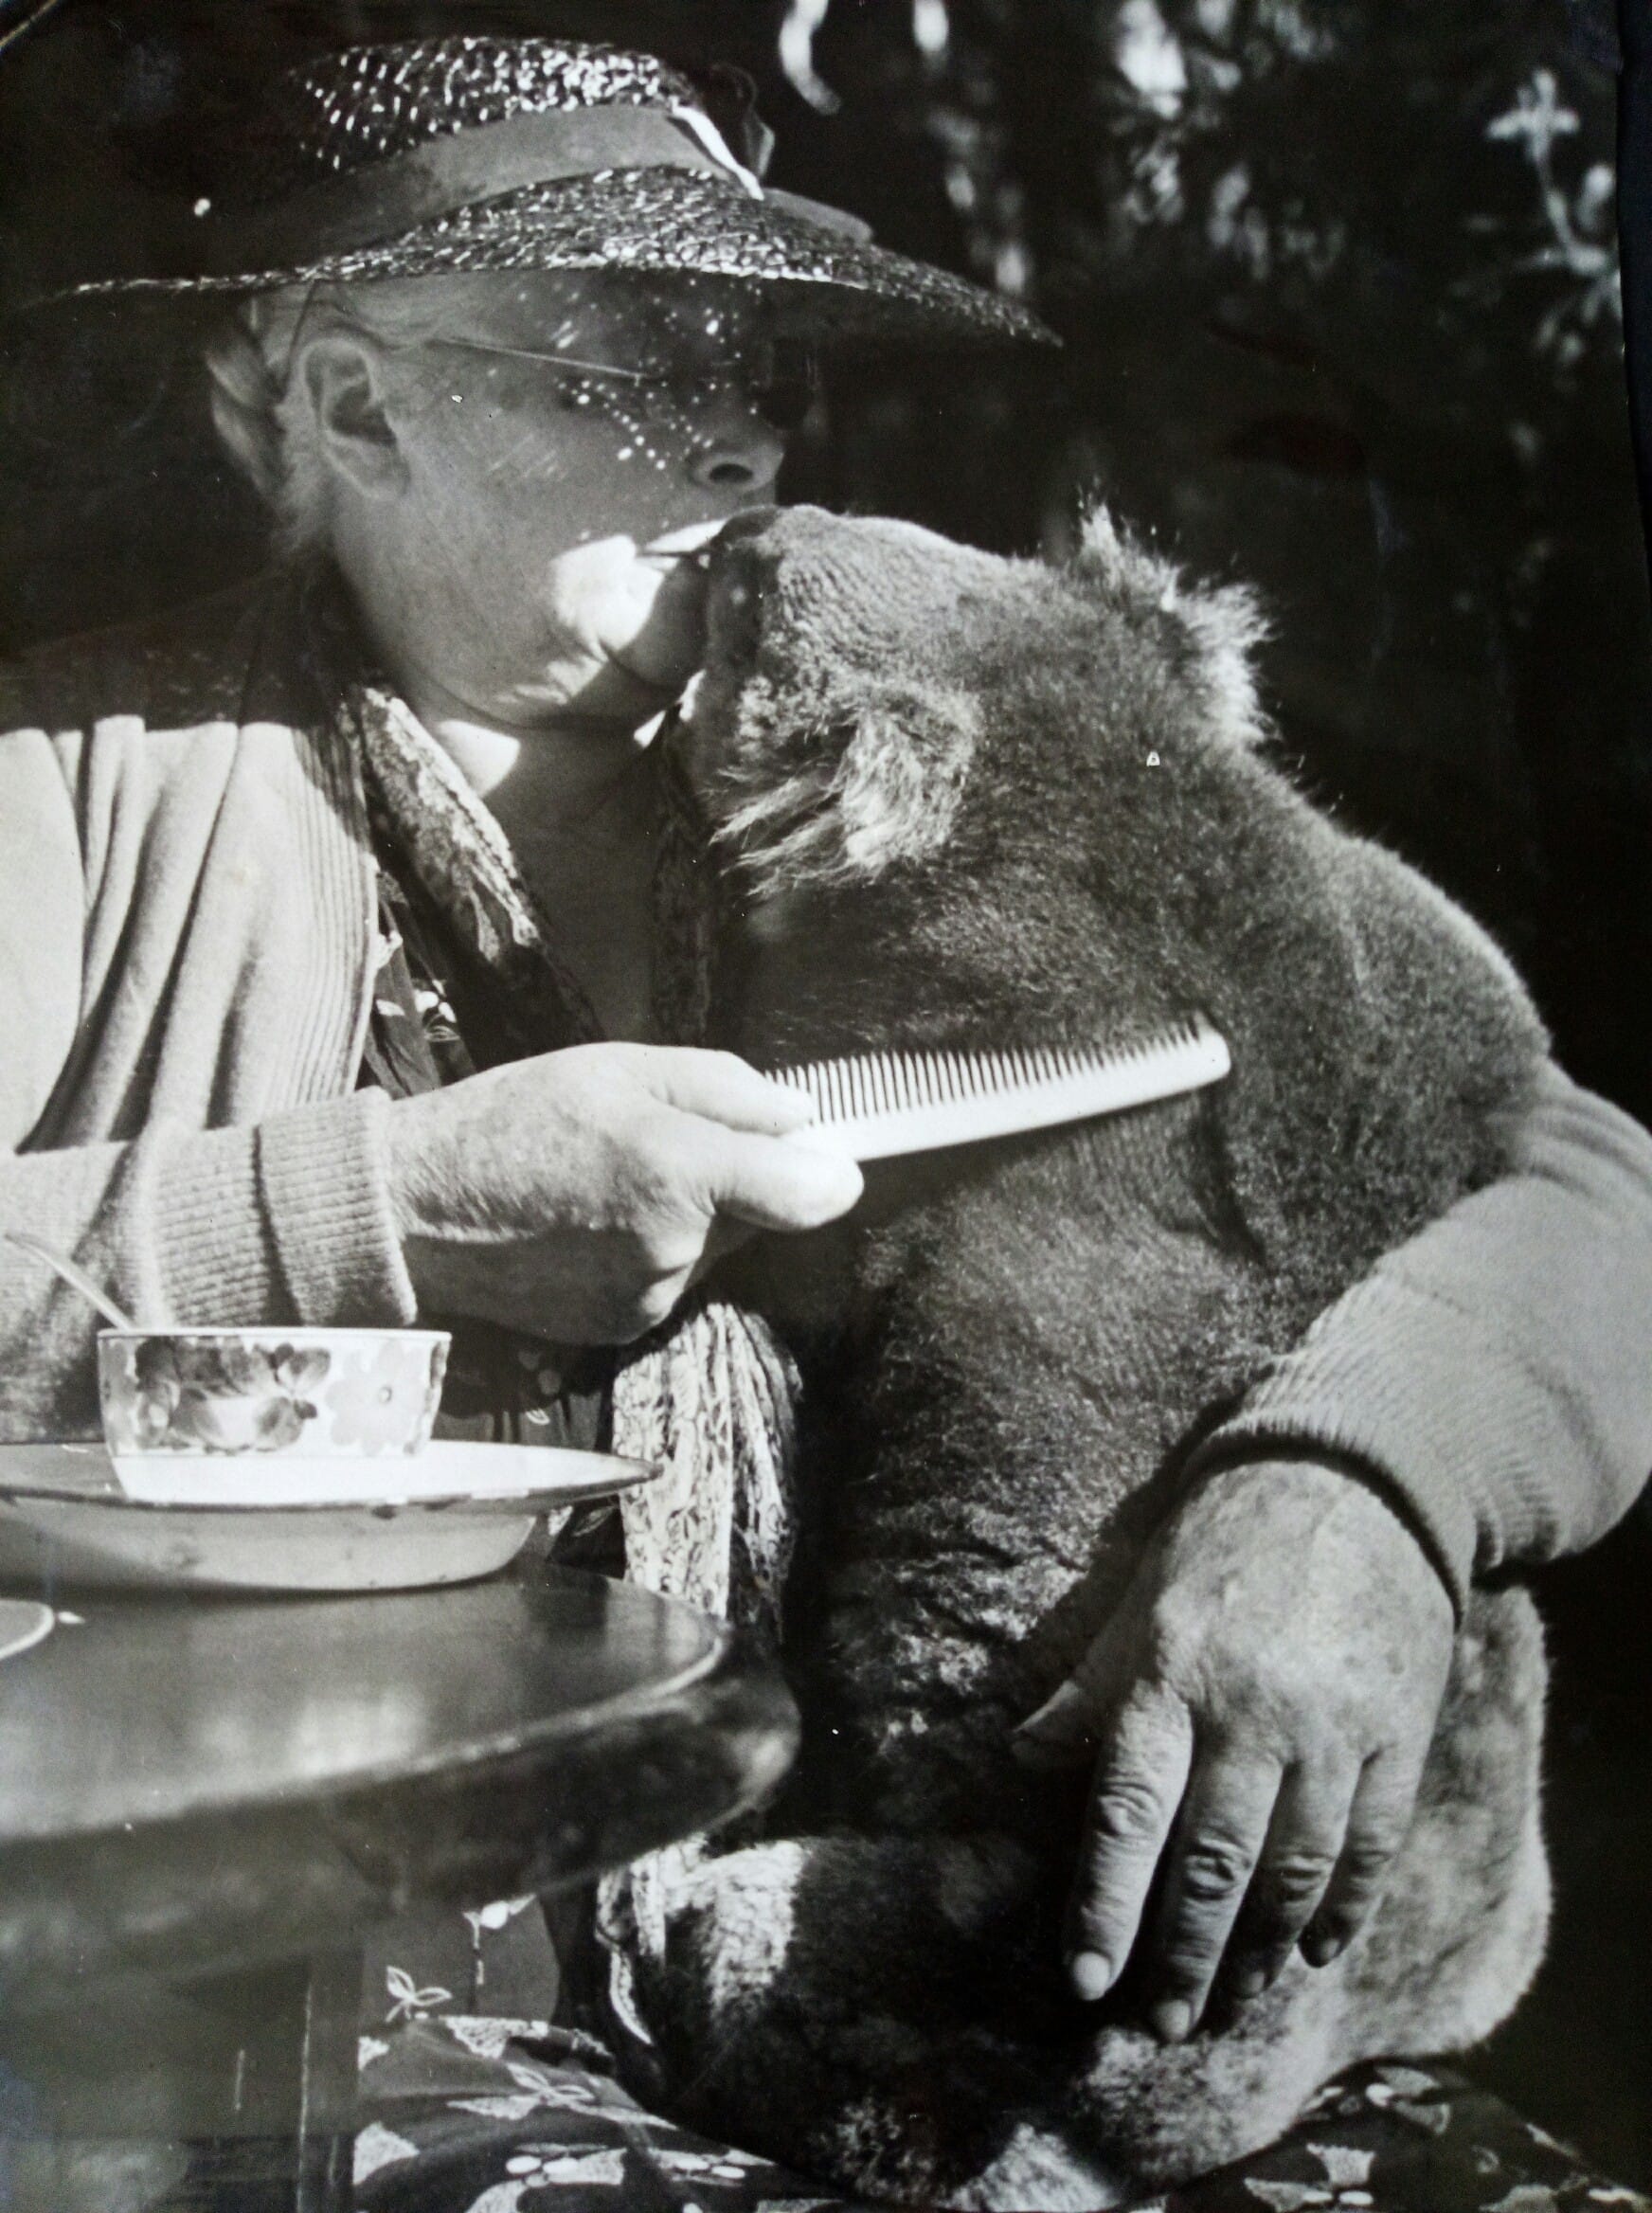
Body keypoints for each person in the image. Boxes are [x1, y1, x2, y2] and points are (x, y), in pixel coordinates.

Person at [2, 27, 1650, 2194]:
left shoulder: (888, 739)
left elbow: (1576, 1175)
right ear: (350, 405)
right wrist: (392, 1198)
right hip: (293, 2052)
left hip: (943, 1983)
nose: (746, 435)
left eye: (762, 366)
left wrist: (1360, 1483)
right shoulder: (77, 781)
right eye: (634, 358)